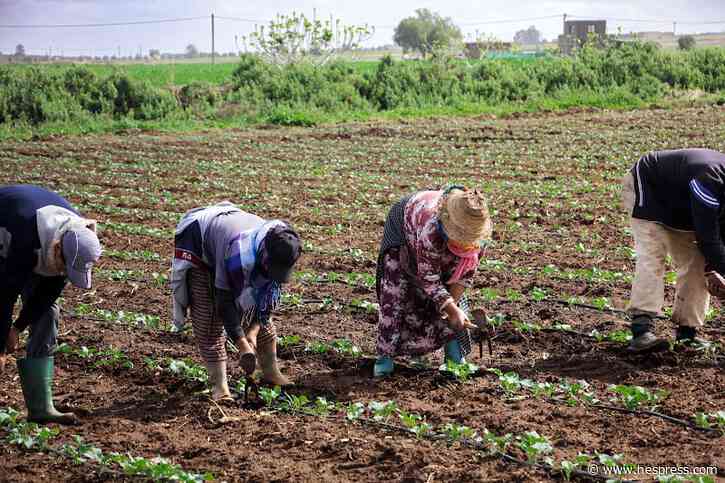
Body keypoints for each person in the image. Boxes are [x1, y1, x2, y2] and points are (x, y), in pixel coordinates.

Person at [171, 202, 301, 401]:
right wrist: (242, 345)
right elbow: (224, 303)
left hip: (228, 236)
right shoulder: (240, 254)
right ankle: (220, 388)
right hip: (201, 243)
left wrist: (252, 333)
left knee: (262, 324)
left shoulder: (282, 246)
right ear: (265, 258)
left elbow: (265, 304)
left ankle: (271, 372)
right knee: (208, 318)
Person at [0, 185, 102, 424]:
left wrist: (17, 328)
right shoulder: (26, 239)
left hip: (34, 242)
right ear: (57, 250)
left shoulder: (78, 239)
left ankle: (41, 407)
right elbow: (5, 294)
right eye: (65, 267)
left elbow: (48, 293)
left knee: (46, 313)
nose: (66, 273)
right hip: (8, 235)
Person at [374, 186, 492, 377]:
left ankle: (454, 357)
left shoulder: (478, 237)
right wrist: (450, 308)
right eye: (460, 238)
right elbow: (429, 280)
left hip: (433, 241)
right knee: (395, 295)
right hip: (404, 230)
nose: (464, 242)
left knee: (450, 303)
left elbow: (463, 276)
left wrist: (452, 309)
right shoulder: (431, 230)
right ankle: (384, 359)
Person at [622, 148, 725, 353]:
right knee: (653, 256)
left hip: (684, 205)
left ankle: (687, 335)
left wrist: (716, 270)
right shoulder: (709, 178)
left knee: (696, 262)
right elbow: (708, 236)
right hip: (650, 188)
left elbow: (720, 236)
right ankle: (641, 329)